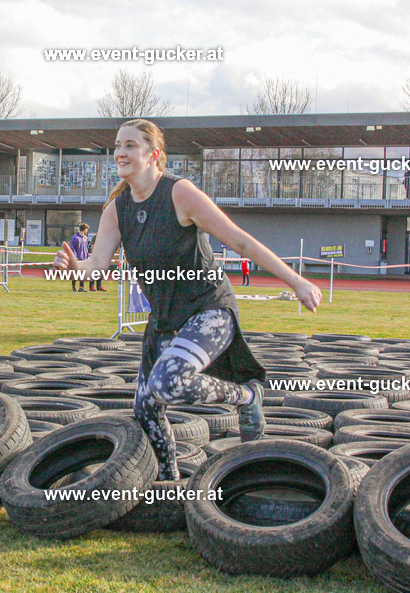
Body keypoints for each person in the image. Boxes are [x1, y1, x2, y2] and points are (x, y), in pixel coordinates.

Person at [53, 119, 321, 481]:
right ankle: (168, 483)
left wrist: (295, 281)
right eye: (117, 145)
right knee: (146, 408)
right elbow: (96, 266)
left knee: (169, 382)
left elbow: (240, 241)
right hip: (164, 318)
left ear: (154, 155)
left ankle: (246, 397)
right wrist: (73, 268)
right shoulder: (117, 209)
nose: (120, 152)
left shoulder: (179, 193)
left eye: (131, 145)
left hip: (208, 309)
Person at [69, 223, 90, 292]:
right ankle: (74, 286)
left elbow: (86, 248)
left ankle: (81, 287)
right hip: (77, 259)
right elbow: (72, 248)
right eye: (86, 230)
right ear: (84, 230)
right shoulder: (75, 238)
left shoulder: (85, 238)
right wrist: (75, 256)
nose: (87, 231)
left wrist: (87, 256)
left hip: (84, 258)